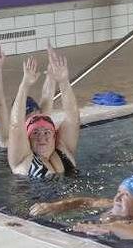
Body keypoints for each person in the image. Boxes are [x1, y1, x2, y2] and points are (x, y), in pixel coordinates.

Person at [6, 46, 81, 178]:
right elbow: (15, 125)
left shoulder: (63, 148)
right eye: (35, 133)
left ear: (54, 135)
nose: (42, 138)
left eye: (47, 132)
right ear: (27, 138)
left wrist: (63, 81)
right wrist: (24, 85)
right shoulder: (22, 158)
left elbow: (73, 117)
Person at [29, 175, 133, 241]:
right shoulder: (113, 204)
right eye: (118, 192)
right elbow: (88, 202)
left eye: (126, 195)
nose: (117, 198)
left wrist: (109, 227)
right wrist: (57, 206)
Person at [0, 43, 56, 150]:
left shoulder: (42, 124)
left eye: (36, 116)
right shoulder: (8, 141)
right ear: (19, 120)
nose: (37, 122)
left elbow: (47, 96)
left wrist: (52, 71)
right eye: (30, 119)